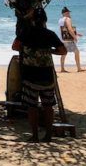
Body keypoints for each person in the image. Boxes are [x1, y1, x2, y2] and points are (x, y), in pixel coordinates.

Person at [12, 9, 67, 142]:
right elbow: (63, 50)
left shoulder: (26, 33)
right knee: (48, 106)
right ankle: (48, 135)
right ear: (45, 20)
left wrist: (28, 50)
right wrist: (50, 51)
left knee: (32, 107)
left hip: (30, 75)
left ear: (32, 20)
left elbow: (15, 46)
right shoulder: (50, 34)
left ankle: (35, 136)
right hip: (46, 75)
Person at [56, 7, 85, 72]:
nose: (69, 14)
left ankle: (62, 69)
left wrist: (77, 33)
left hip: (62, 39)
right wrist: (75, 37)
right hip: (68, 40)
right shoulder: (68, 19)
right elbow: (69, 29)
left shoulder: (60, 20)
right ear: (65, 13)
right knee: (77, 52)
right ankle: (79, 68)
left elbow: (64, 30)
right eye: (68, 12)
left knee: (64, 53)